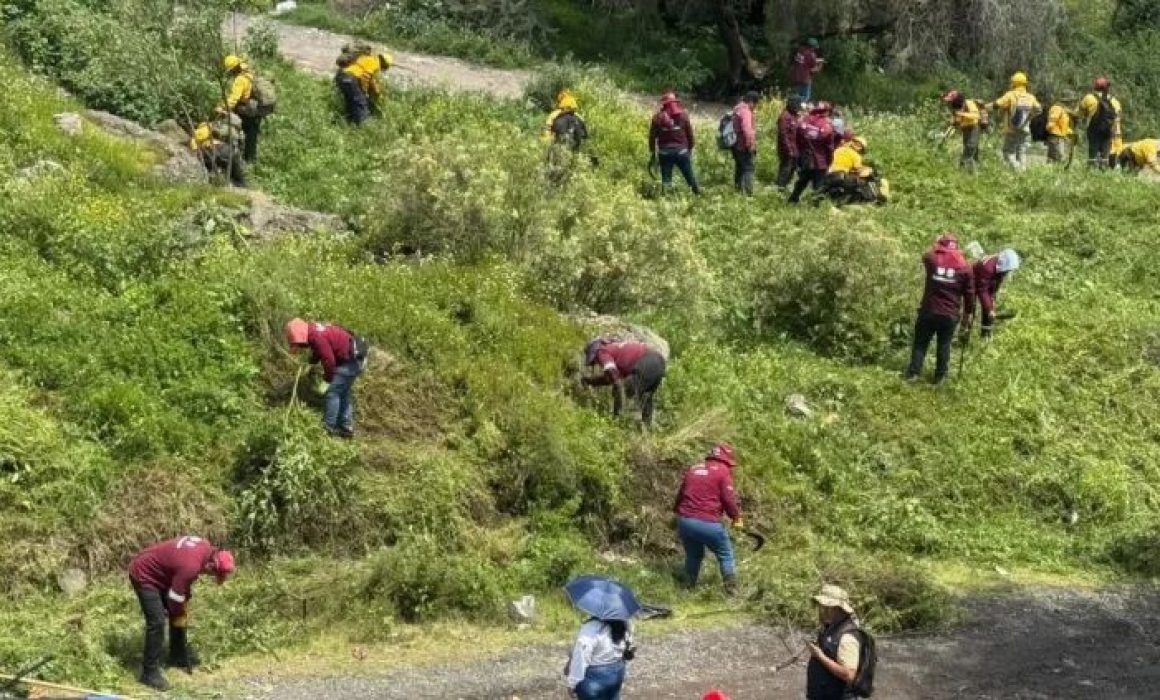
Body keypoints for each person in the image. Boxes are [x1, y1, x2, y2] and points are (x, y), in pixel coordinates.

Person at [129, 536, 235, 691]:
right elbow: (175, 598)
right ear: (211, 565)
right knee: (157, 621)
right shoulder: (191, 566)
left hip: (164, 575)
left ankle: (177, 656)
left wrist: (180, 608)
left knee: (179, 613)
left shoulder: (204, 547)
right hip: (144, 573)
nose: (209, 576)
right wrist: (178, 612)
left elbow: (181, 584)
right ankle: (149, 672)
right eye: (212, 574)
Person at [904, 233, 975, 384]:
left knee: (920, 343)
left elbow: (925, 254)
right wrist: (968, 315)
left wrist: (935, 243)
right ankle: (940, 377)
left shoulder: (932, 260)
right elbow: (969, 294)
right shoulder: (965, 267)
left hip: (929, 310)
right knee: (944, 345)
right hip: (950, 314)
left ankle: (913, 374)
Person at [673, 443, 742, 592]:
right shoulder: (723, 472)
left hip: (685, 520)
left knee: (693, 555)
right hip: (707, 522)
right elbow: (728, 499)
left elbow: (681, 493)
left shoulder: (694, 469)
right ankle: (731, 590)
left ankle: (688, 588)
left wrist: (677, 512)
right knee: (725, 553)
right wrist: (736, 517)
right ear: (726, 460)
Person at [284, 318, 367, 438]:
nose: (300, 346)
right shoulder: (313, 330)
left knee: (332, 393)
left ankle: (328, 427)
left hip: (350, 361)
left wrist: (327, 379)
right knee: (342, 393)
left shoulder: (316, 337)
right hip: (353, 359)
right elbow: (321, 350)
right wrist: (312, 361)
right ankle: (346, 427)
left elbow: (329, 360)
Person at [581, 337, 666, 426]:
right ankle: (647, 428)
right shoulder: (616, 349)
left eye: (594, 362)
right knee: (645, 396)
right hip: (658, 362)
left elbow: (611, 372)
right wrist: (591, 381)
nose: (597, 363)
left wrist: (617, 387)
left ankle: (616, 423)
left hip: (646, 362)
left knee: (619, 388)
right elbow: (609, 378)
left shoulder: (601, 352)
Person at [806, 584, 863, 700]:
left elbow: (849, 675)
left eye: (826, 607)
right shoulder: (831, 627)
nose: (822, 610)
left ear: (838, 609)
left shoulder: (847, 637)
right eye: (822, 606)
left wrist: (820, 655)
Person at [219, 55, 271, 163]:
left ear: (233, 69)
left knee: (241, 131)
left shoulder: (240, 80)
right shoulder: (248, 72)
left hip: (248, 110)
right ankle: (251, 159)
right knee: (252, 136)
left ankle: (243, 157)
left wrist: (221, 107)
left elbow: (233, 99)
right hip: (257, 108)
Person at [565, 617, 633, 699]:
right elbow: (627, 647)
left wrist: (572, 682)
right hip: (617, 671)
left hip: (594, 676)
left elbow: (582, 655)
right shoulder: (625, 623)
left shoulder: (592, 626)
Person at [987, 72, 1042, 170]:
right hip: (1025, 129)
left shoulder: (1011, 95)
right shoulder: (1030, 97)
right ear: (1024, 84)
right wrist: (1029, 117)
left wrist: (985, 107)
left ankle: (1018, 170)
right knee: (1021, 152)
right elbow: (1039, 109)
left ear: (1014, 83)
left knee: (1007, 152)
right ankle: (1023, 173)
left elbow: (997, 104)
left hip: (1012, 129)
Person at [649, 92, 700, 194]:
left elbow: (652, 138)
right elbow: (690, 135)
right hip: (682, 152)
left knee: (666, 180)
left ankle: (666, 200)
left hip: (664, 153)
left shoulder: (657, 118)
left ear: (664, 104)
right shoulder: (684, 116)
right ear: (676, 103)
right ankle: (698, 196)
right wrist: (689, 149)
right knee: (690, 177)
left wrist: (653, 153)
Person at [789, 102, 838, 204]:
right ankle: (815, 205)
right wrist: (830, 160)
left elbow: (797, 138)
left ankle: (792, 200)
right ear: (827, 112)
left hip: (806, 158)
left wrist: (800, 153)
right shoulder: (827, 125)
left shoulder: (804, 121)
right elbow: (829, 146)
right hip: (820, 160)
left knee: (802, 180)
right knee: (819, 184)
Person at [336, 43, 393, 125]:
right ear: (384, 63)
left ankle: (349, 122)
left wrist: (377, 91)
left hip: (342, 76)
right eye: (385, 67)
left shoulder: (368, 58)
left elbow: (371, 80)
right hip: (350, 78)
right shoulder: (375, 63)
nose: (383, 69)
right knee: (361, 102)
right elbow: (365, 77)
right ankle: (364, 125)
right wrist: (365, 91)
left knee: (350, 102)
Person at [973, 248, 1021, 339]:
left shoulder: (1001, 269)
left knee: (989, 307)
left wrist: (992, 301)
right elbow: (983, 291)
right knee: (972, 308)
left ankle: (985, 335)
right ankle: (964, 337)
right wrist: (988, 308)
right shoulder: (988, 268)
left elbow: (995, 285)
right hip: (973, 282)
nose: (1006, 273)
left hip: (985, 283)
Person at [1078, 77, 1122, 169]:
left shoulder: (1089, 98)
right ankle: (1103, 170)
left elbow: (1079, 112)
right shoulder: (1114, 101)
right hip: (1108, 131)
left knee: (1093, 152)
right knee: (1105, 153)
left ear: (1095, 87)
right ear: (1107, 88)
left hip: (1094, 130)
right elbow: (1117, 118)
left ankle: (1091, 170)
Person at [189, 119, 246, 187]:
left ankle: (218, 181)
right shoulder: (212, 129)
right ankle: (240, 183)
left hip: (209, 151)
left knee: (212, 165)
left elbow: (194, 150)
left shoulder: (196, 133)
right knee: (233, 164)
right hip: (223, 148)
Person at [941, 90, 984, 171]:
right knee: (969, 149)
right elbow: (954, 123)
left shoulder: (969, 103)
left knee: (970, 148)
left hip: (974, 127)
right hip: (965, 128)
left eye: (951, 101)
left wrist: (960, 114)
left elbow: (976, 116)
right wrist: (946, 134)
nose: (950, 103)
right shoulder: (955, 107)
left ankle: (964, 168)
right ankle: (972, 170)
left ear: (957, 100)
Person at [731, 91, 759, 195]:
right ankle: (749, 193)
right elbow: (747, 129)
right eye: (755, 104)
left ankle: (737, 189)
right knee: (749, 168)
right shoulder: (745, 111)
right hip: (743, 145)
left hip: (734, 144)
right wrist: (751, 145)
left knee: (739, 167)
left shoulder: (737, 108)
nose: (755, 107)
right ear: (751, 102)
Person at [776, 96, 804, 191]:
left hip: (795, 148)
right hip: (787, 149)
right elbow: (783, 135)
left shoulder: (795, 116)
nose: (798, 107)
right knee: (785, 169)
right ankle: (780, 187)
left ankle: (784, 187)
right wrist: (788, 149)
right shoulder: (785, 116)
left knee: (792, 169)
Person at [789, 37, 823, 101]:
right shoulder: (811, 55)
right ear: (812, 47)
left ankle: (793, 104)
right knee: (805, 98)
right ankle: (797, 105)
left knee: (798, 95)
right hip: (805, 79)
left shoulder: (799, 51)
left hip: (796, 77)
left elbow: (802, 62)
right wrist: (820, 65)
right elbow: (813, 69)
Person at [1045, 95, 1075, 164]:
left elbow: (1063, 125)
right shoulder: (1057, 108)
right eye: (1069, 101)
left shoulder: (1062, 110)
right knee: (1059, 158)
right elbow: (1051, 122)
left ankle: (1050, 173)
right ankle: (1053, 172)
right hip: (1055, 137)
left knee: (1054, 159)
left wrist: (1070, 132)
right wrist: (1050, 133)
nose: (1071, 103)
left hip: (1059, 137)